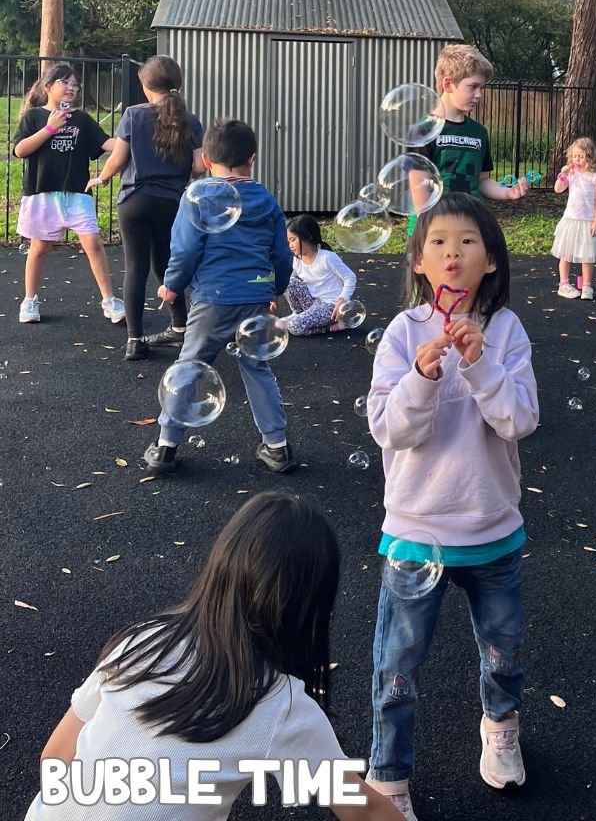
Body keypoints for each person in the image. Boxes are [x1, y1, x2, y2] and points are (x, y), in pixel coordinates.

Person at [24, 492, 405, 821]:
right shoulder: (280, 704)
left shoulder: (143, 640)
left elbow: (55, 756)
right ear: (310, 607)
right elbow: (364, 809)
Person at [365, 193, 539, 821]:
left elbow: (518, 419)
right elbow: (390, 429)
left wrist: (480, 361)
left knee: (504, 652)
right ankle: (388, 776)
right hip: (416, 532)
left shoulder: (507, 331)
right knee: (397, 668)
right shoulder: (403, 333)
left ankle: (500, 727)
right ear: (418, 262)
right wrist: (424, 375)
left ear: (490, 260)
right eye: (437, 242)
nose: (452, 253)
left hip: (493, 529)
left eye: (467, 242)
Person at [144, 118, 295, 476]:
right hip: (255, 295)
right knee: (258, 366)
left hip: (213, 297)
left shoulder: (198, 196)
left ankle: (165, 446)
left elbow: (184, 249)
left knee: (190, 366)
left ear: (207, 160)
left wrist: (172, 284)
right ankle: (278, 447)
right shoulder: (266, 199)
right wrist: (276, 288)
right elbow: (282, 254)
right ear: (252, 159)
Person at [85, 56, 205, 361]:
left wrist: (101, 177)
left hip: (135, 201)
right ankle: (180, 327)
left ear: (146, 84)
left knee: (136, 268)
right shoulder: (190, 120)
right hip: (172, 203)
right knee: (165, 264)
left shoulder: (133, 115)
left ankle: (135, 341)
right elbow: (198, 167)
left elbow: (117, 159)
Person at [13, 63, 125, 326]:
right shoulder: (34, 117)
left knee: (94, 244)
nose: (72, 88)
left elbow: (106, 144)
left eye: (75, 85)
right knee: (39, 248)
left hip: (77, 194)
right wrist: (50, 128)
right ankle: (30, 300)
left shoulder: (82, 119)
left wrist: (132, 141)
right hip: (42, 194)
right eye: (66, 83)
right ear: (48, 86)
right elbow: (20, 150)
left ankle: (109, 300)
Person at [417, 44, 528, 204]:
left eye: (481, 88)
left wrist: (508, 192)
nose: (479, 95)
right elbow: (418, 185)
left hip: (472, 219)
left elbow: (482, 181)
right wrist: (429, 225)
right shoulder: (425, 129)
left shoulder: (479, 132)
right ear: (448, 85)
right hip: (436, 222)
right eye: (473, 87)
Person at [279, 214, 357, 335]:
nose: (290, 245)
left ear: (308, 237)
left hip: (330, 307)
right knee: (288, 282)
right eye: (288, 241)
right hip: (313, 303)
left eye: (293, 240)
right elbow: (291, 282)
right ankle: (298, 314)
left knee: (294, 327)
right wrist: (274, 294)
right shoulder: (297, 259)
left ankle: (330, 327)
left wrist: (342, 301)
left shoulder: (327, 258)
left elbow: (350, 277)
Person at [551, 136, 596, 300]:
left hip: (588, 220)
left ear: (589, 156)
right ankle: (564, 284)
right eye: (575, 156)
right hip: (571, 219)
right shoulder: (571, 173)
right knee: (566, 253)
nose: (577, 159)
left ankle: (587, 286)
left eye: (581, 156)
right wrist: (563, 175)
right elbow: (558, 189)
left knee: (586, 255)